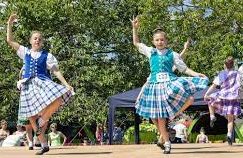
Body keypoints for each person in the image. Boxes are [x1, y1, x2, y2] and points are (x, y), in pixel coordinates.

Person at [132, 16, 208, 154]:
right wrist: (135, 28)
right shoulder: (151, 52)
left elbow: (184, 69)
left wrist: (196, 74)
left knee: (184, 102)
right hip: (154, 86)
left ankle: (169, 130)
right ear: (153, 41)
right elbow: (136, 43)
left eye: (162, 39)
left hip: (169, 84)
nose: (160, 42)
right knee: (156, 116)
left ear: (166, 41)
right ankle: (165, 140)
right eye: (157, 40)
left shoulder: (172, 54)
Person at [7, 14, 73, 155]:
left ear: (42, 42)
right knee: (30, 116)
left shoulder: (47, 55)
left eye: (40, 39)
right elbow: (9, 40)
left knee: (58, 99)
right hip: (28, 85)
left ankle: (42, 120)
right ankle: (43, 144)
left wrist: (66, 83)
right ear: (31, 41)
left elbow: (56, 70)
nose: (37, 40)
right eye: (35, 38)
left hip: (42, 83)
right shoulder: (25, 52)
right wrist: (9, 24)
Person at [204, 56, 241, 145]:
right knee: (230, 119)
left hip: (222, 95)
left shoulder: (221, 74)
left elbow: (213, 85)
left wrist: (206, 94)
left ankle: (212, 116)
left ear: (225, 65)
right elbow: (240, 84)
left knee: (210, 101)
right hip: (233, 97)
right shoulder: (237, 73)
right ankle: (229, 134)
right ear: (233, 65)